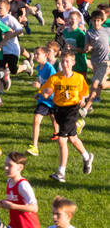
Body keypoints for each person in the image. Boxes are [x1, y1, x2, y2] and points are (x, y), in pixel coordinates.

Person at [38, 48, 92, 184]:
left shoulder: (79, 78)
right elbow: (47, 91)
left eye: (67, 61)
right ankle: (86, 157)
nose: (65, 64)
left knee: (62, 139)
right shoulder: (55, 78)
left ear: (73, 62)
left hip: (72, 109)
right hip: (59, 110)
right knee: (73, 138)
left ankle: (61, 172)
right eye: (62, 61)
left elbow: (85, 92)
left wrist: (83, 99)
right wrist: (43, 92)